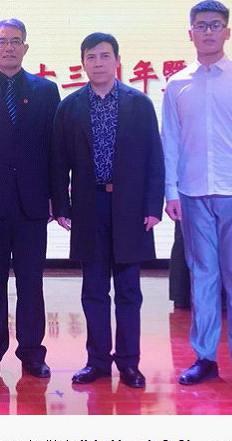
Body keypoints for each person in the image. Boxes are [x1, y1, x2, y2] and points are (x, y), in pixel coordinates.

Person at [161, 0, 232, 395]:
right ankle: (205, 358)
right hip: (192, 193)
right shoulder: (177, 83)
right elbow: (170, 141)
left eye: (215, 25)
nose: (208, 31)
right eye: (201, 25)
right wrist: (171, 191)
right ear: (190, 32)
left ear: (227, 32)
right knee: (202, 279)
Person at [52, 33, 164, 388]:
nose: (98, 63)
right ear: (82, 63)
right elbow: (59, 163)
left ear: (117, 60)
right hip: (89, 206)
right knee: (94, 289)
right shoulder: (69, 107)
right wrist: (61, 206)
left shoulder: (139, 104)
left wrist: (153, 206)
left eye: (105, 56)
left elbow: (155, 157)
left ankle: (129, 363)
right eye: (91, 57)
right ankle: (97, 361)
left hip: (131, 206)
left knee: (129, 290)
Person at [0, 18, 61, 379]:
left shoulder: (46, 90)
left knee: (31, 281)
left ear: (25, 47)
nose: (9, 47)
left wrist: (56, 197)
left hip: (34, 202)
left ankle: (32, 353)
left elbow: (55, 150)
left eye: (16, 41)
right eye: (2, 41)